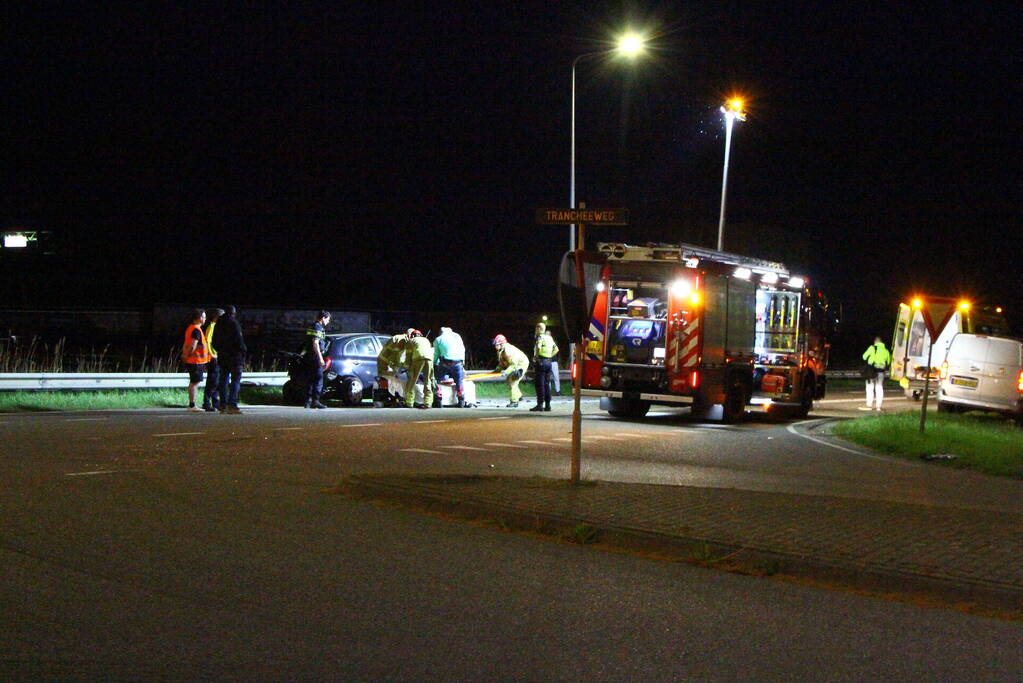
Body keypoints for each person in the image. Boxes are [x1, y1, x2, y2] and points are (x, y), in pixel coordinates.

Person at [215, 305, 247, 414]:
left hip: (223, 357)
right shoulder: (234, 323)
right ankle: (232, 404)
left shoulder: (218, 324)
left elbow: (214, 341)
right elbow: (239, 341)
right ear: (233, 313)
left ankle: (222, 405)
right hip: (235, 357)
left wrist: (220, 350)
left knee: (223, 380)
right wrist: (243, 351)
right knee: (235, 381)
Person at [181, 309, 210, 412]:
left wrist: (184, 355)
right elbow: (193, 345)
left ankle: (192, 404)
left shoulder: (190, 328)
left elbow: (186, 344)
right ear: (199, 318)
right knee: (194, 382)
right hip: (196, 361)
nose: (205, 319)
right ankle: (192, 405)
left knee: (194, 382)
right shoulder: (196, 330)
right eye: (204, 316)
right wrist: (187, 355)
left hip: (192, 360)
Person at [492, 334, 529, 408]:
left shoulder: (508, 350)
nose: (495, 346)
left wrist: (506, 372)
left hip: (521, 364)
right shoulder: (500, 351)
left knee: (513, 381)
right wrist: (497, 370)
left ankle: (514, 401)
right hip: (515, 364)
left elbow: (513, 365)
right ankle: (518, 395)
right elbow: (502, 363)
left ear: (502, 344)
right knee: (508, 380)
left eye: (497, 344)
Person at [304, 310, 331, 409]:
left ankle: (308, 401)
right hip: (315, 357)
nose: (328, 322)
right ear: (323, 318)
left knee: (310, 379)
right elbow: (315, 343)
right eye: (328, 319)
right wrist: (320, 358)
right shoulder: (318, 327)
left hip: (309, 356)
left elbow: (308, 343)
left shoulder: (311, 326)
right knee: (318, 379)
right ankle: (315, 401)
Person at [433, 326, 466, 408]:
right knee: (459, 381)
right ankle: (461, 399)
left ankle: (438, 399)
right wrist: (463, 362)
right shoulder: (457, 337)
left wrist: (433, 363)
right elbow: (462, 349)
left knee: (438, 379)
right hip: (458, 362)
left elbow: (436, 354)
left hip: (445, 362)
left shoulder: (438, 339)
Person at [530, 322, 559, 412]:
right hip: (549, 363)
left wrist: (536, 358)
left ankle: (540, 405)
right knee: (547, 384)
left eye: (536, 328)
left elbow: (538, 347)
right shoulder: (549, 338)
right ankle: (548, 405)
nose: (535, 330)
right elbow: (556, 349)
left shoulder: (540, 337)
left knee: (540, 384)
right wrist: (549, 356)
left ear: (539, 329)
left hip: (541, 362)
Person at [404, 329, 435, 409]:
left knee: (413, 380)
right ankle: (428, 402)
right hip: (429, 359)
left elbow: (408, 355)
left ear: (412, 336)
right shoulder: (426, 340)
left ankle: (409, 402)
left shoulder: (411, 341)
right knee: (427, 380)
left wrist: (406, 366)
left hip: (418, 359)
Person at [201, 308, 224, 412]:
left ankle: (215, 402)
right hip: (213, 358)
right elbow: (208, 341)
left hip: (217, 357)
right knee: (212, 381)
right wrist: (212, 354)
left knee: (217, 381)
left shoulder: (218, 327)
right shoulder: (212, 327)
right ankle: (206, 402)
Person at [377, 332, 409, 406]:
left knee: (385, 380)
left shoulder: (398, 337)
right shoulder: (403, 340)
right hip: (386, 361)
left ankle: (385, 399)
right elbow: (396, 354)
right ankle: (392, 399)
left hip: (383, 360)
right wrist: (397, 366)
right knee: (391, 380)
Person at [861, 336, 892, 411]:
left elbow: (864, 357)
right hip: (881, 372)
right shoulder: (886, 351)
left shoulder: (872, 348)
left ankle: (869, 405)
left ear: (875, 342)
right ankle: (879, 406)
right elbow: (888, 362)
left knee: (870, 388)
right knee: (879, 388)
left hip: (871, 371)